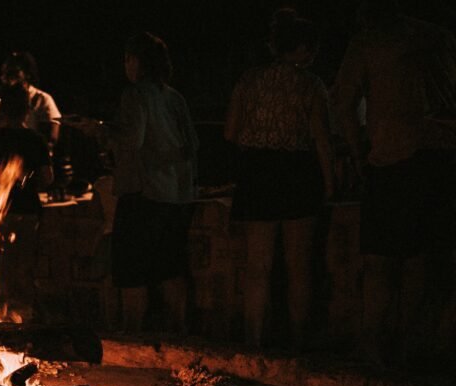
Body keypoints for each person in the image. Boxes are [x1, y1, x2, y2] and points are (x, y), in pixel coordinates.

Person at [334, 0, 456, 365]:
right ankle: (410, 342)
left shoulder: (369, 42)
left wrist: (357, 154)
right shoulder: (440, 38)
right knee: (420, 255)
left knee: (380, 256)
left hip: (393, 157)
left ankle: (372, 341)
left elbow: (342, 103)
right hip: (443, 156)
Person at [225, 9, 334, 350]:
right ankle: (300, 343)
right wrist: (330, 183)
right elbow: (321, 139)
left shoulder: (249, 80)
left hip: (257, 172)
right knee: (299, 266)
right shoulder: (311, 85)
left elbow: (230, 132)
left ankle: (253, 342)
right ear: (300, 48)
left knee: (258, 267)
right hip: (297, 173)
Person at [107, 32, 198, 334]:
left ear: (136, 61)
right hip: (177, 197)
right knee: (171, 268)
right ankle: (181, 334)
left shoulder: (135, 95)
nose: (125, 65)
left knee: (132, 272)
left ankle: (132, 340)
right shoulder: (175, 97)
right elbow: (192, 144)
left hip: (142, 194)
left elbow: (132, 141)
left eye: (127, 59)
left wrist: (102, 133)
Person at [0, 82, 54, 319]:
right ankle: (24, 317)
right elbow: (47, 179)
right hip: (28, 211)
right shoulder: (36, 140)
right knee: (24, 267)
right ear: (27, 109)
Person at [0, 52, 62, 148]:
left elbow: (51, 138)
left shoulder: (42, 99)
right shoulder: (0, 99)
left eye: (13, 71)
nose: (7, 76)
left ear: (27, 74)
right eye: (5, 72)